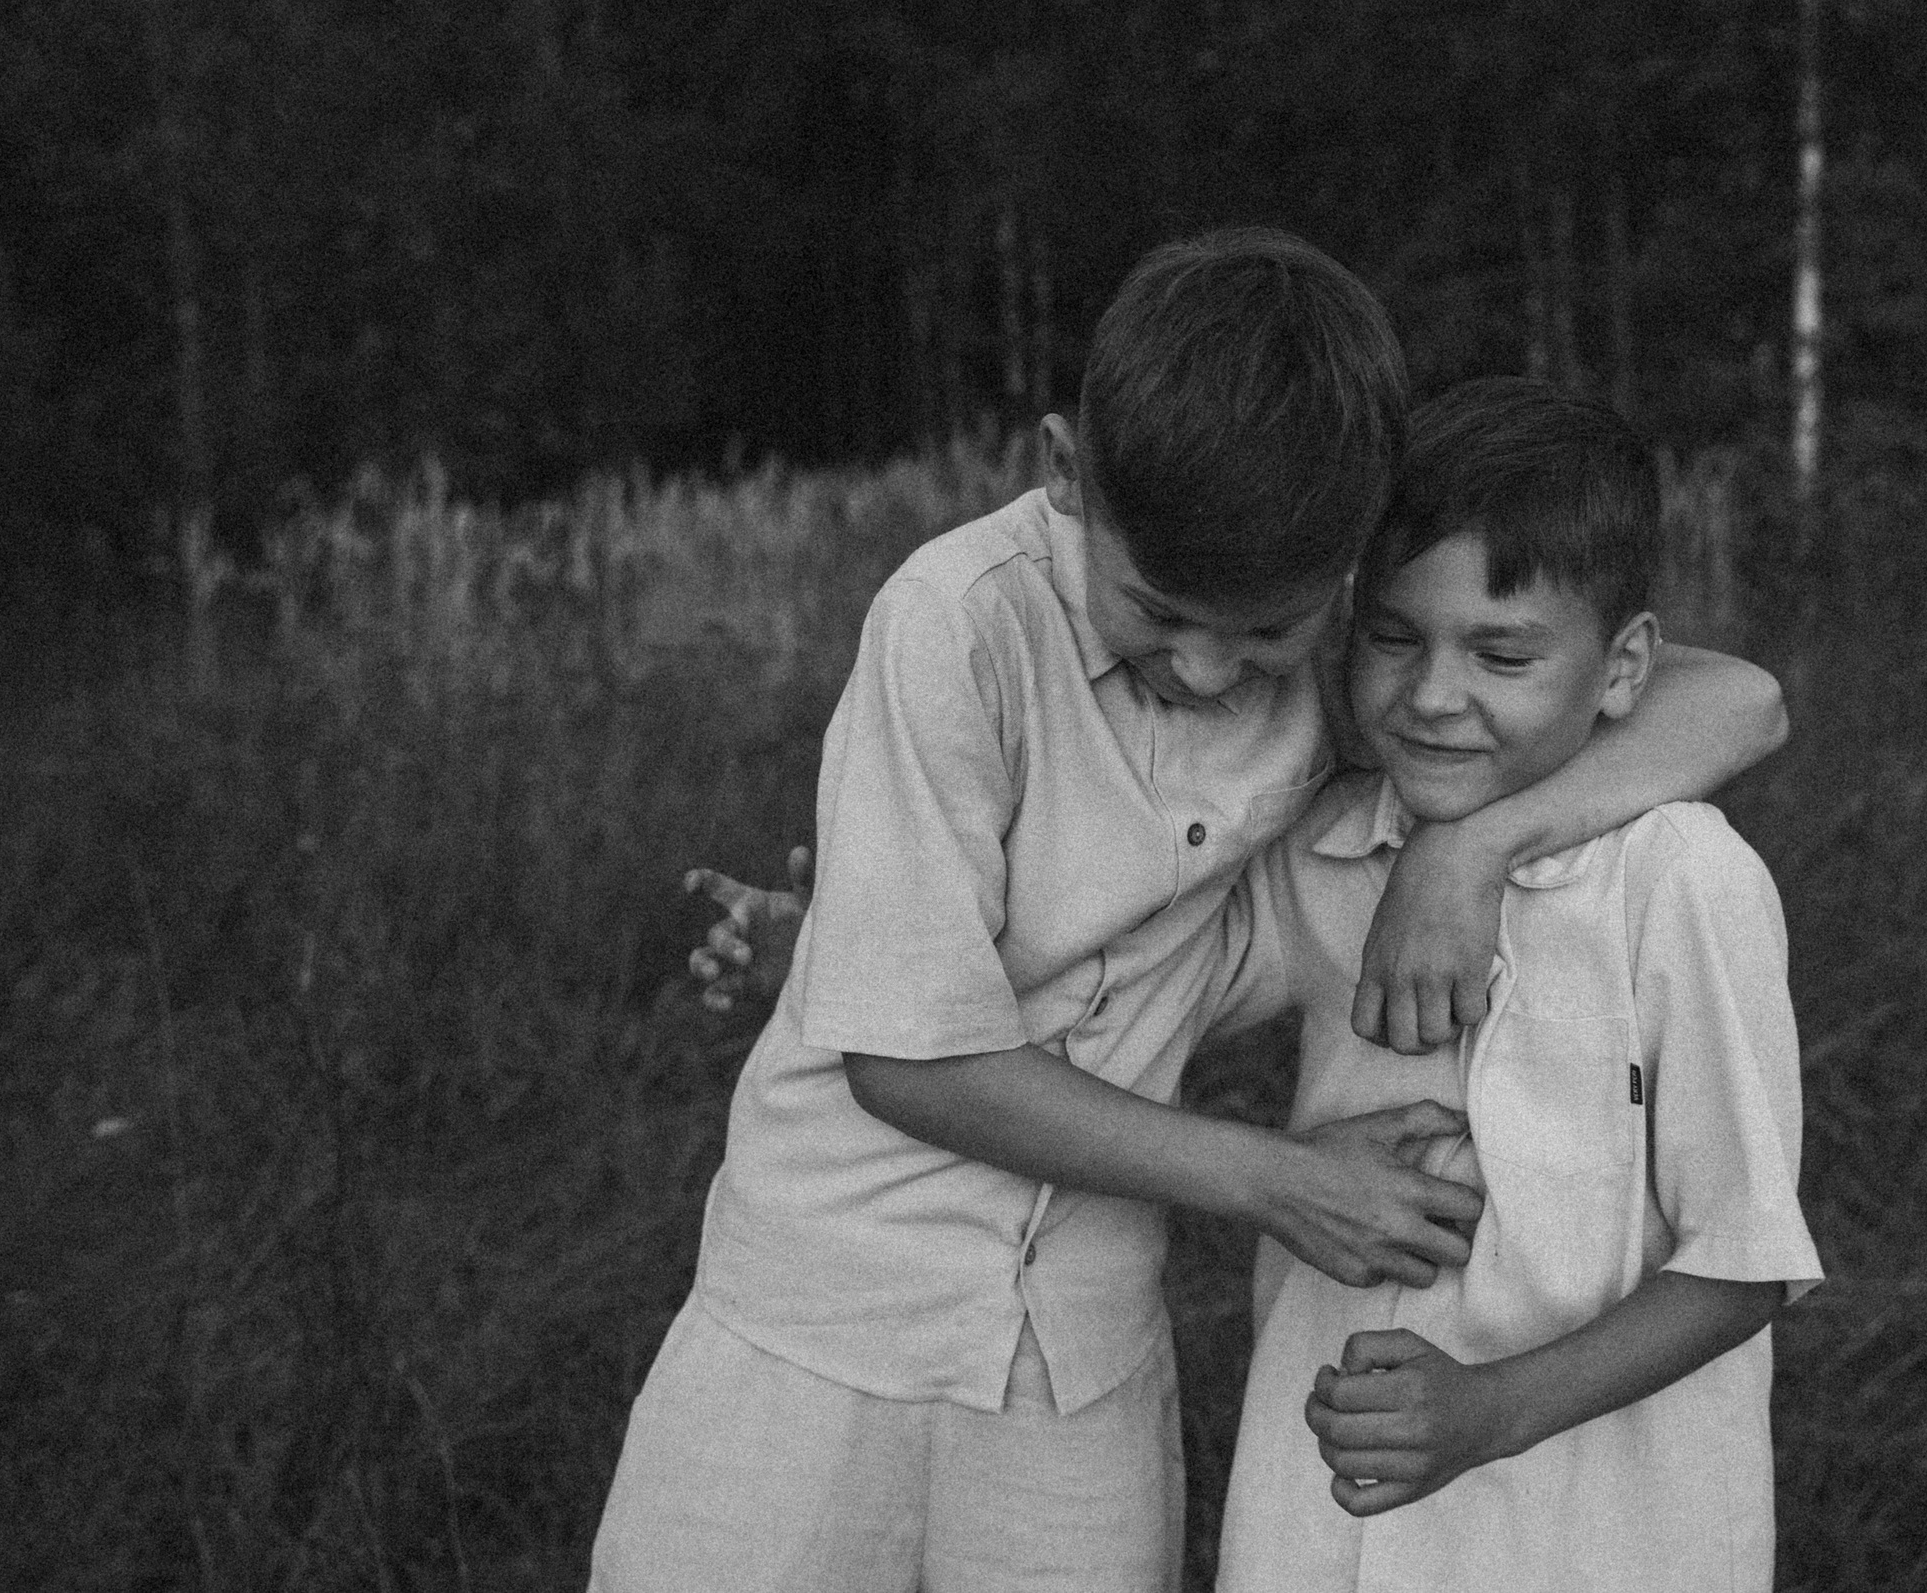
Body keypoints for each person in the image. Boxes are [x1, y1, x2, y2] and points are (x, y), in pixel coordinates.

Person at [595, 230, 1787, 1593]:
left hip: (1081, 1340)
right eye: (1155, 609)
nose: (1211, 667)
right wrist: (1282, 1178)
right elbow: (908, 1057)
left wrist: (1475, 850)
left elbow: (1738, 696)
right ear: (1062, 474)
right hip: (820, 1302)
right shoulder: (957, 625)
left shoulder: (1361, 655)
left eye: (1271, 631)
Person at [1208, 378, 1822, 1593]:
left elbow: (1744, 1262)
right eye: (1393, 637)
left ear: (1624, 666)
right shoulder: (1323, 852)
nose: (1434, 696)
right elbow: (1124, 982)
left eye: (1500, 653)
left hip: (1604, 1533)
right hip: (1326, 1517)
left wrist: (1488, 1413)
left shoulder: (1681, 879)